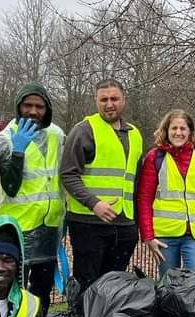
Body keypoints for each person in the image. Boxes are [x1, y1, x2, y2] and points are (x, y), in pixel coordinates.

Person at [60, 79, 144, 289]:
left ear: (123, 99)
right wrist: (94, 203)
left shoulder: (135, 134)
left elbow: (136, 181)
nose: (109, 104)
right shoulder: (84, 131)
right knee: (88, 286)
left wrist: (138, 223)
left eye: (114, 99)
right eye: (103, 99)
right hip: (89, 223)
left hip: (125, 224)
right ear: (96, 101)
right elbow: (68, 174)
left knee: (113, 287)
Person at [0, 82, 66, 313]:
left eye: (39, 106)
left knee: (42, 290)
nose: (33, 111)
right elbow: (11, 186)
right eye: (27, 105)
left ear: (47, 109)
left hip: (50, 225)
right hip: (17, 226)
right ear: (19, 107)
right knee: (14, 288)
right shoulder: (5, 138)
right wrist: (18, 151)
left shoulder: (56, 135)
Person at [137, 109, 195, 277]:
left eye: (183, 129)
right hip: (165, 236)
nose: (178, 133)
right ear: (166, 130)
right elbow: (144, 199)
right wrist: (148, 236)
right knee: (168, 288)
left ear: (190, 131)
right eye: (174, 128)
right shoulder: (154, 158)